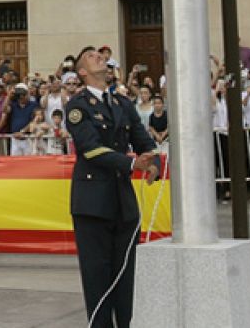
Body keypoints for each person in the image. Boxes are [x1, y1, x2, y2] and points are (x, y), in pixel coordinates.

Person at [65, 46, 159, 328]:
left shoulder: (122, 103)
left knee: (126, 277)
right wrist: (133, 165)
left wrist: (150, 161)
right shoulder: (77, 106)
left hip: (123, 202)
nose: (100, 57)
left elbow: (144, 141)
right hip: (93, 202)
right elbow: (91, 150)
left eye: (102, 56)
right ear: (82, 72)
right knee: (98, 278)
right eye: (92, 56)